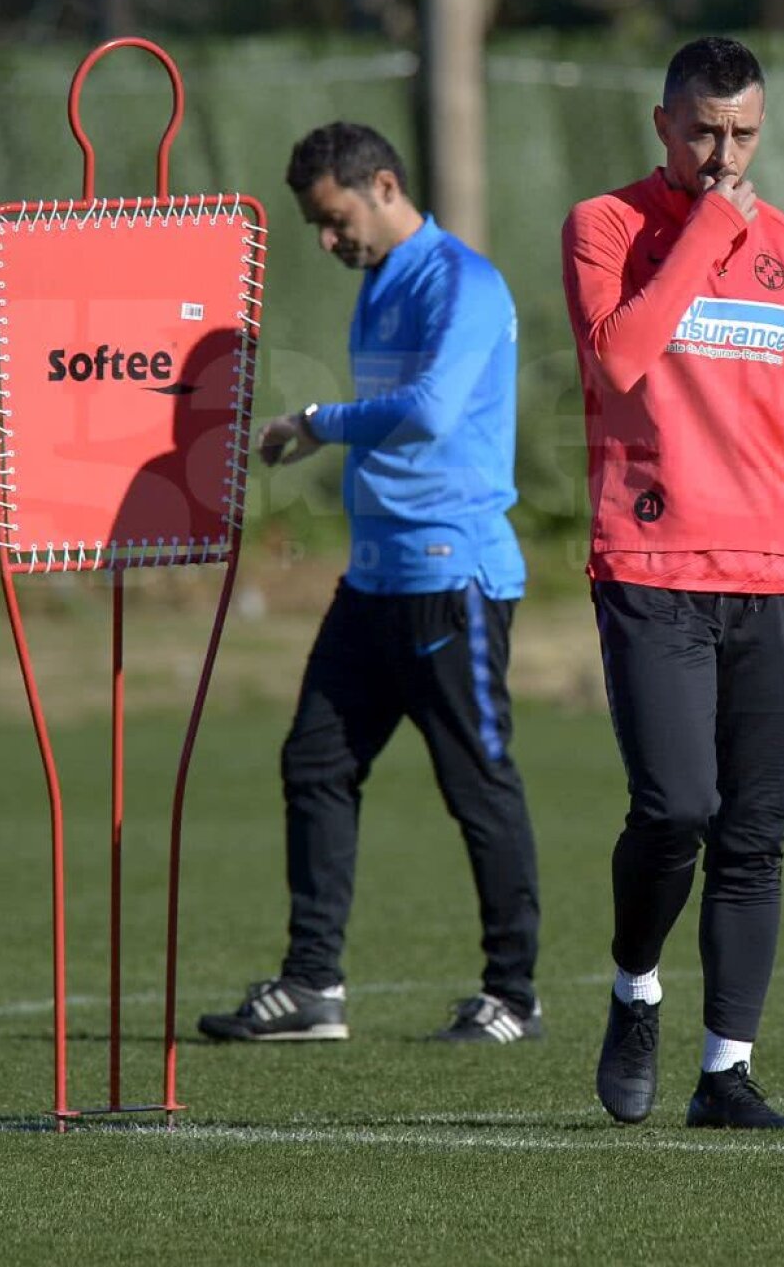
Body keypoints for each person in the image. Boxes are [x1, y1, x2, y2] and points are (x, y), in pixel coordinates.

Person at [561, 37, 784, 1128]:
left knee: (753, 835)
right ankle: (634, 987)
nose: (724, 153)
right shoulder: (604, 227)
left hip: (775, 582)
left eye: (744, 134)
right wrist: (712, 226)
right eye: (704, 130)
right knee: (675, 810)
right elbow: (620, 356)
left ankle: (725, 1074)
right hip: (651, 568)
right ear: (662, 123)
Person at [199, 121, 542, 1047]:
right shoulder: (380, 284)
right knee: (314, 761)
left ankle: (512, 995)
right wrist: (328, 434)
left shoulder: (464, 282)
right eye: (316, 223)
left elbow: (430, 413)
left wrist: (319, 418)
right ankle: (314, 988)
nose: (327, 239)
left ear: (383, 186)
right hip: (375, 577)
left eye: (334, 217)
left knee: (476, 782)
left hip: (451, 576)